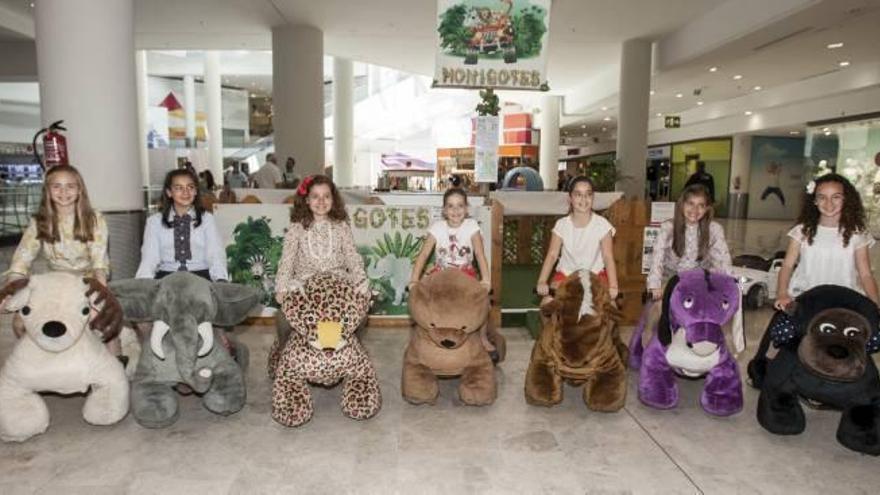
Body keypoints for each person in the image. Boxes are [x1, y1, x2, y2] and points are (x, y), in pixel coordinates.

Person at [3, 165, 121, 354]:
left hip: (87, 281)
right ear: (47, 190)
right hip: (53, 282)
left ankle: (116, 365)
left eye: (70, 186)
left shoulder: (94, 219)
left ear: (79, 189)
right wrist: (12, 288)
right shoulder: (39, 221)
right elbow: (21, 259)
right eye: (56, 186)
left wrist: (101, 297)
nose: (64, 192)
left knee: (105, 325)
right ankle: (43, 362)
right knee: (20, 323)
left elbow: (100, 262)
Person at [410, 187, 496, 358]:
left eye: (460, 206)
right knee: (424, 302)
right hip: (441, 275)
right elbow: (424, 254)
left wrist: (486, 280)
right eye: (450, 206)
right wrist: (414, 280)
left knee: (483, 302)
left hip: (465, 275)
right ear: (444, 210)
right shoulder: (437, 227)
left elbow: (479, 254)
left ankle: (483, 336)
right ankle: (425, 337)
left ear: (466, 208)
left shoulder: (471, 226)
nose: (455, 210)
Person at [775, 173, 879, 309]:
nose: (829, 203)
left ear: (846, 199)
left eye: (836, 197)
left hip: (844, 301)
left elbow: (865, 274)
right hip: (805, 299)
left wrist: (875, 305)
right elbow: (787, 266)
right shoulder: (802, 231)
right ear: (814, 201)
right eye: (822, 197)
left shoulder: (857, 234)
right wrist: (782, 293)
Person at [275, 175, 368, 304]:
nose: (321, 201)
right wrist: (282, 289)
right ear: (307, 200)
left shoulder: (341, 226)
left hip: (338, 288)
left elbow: (352, 257)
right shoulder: (296, 228)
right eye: (315, 197)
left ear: (333, 199)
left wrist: (361, 282)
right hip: (305, 289)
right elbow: (287, 261)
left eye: (326, 196)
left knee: (358, 307)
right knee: (287, 317)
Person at [536, 176, 619, 304]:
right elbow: (552, 255)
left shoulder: (603, 225)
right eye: (578, 194)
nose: (584, 199)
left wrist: (613, 286)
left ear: (593, 197)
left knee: (611, 307)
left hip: (595, 274)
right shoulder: (561, 224)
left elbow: (608, 256)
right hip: (567, 274)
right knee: (547, 303)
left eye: (588, 194)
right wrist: (542, 281)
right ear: (570, 198)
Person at [647, 183, 732, 300]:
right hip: (671, 277)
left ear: (707, 209)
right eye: (690, 203)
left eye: (701, 205)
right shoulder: (668, 227)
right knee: (660, 307)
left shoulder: (714, 229)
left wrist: (727, 284)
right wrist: (655, 285)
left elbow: (722, 260)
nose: (695, 210)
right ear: (682, 204)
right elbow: (657, 257)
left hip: (699, 279)